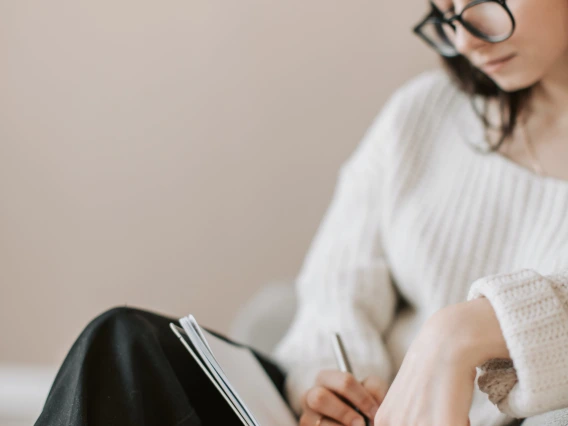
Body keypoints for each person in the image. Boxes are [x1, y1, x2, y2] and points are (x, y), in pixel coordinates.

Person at [35, 0, 568, 425]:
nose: (464, 37)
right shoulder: (424, 113)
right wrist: (334, 393)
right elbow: (335, 288)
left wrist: (458, 333)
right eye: (445, 7)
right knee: (123, 344)